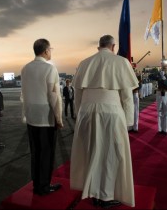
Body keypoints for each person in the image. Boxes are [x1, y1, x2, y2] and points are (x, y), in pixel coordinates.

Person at [70, 35, 138, 208]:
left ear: (99, 46)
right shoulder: (121, 62)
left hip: (86, 112)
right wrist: (129, 120)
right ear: (113, 46)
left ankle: (92, 191)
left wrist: (79, 114)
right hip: (111, 112)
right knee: (111, 155)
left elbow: (77, 94)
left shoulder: (84, 63)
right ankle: (105, 195)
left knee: (90, 152)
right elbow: (127, 96)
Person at [20, 38, 64, 195]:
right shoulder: (50, 69)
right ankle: (44, 186)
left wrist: (25, 113)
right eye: (50, 49)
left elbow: (23, 94)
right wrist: (58, 118)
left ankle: (36, 184)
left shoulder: (25, 69)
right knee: (46, 153)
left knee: (35, 153)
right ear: (46, 51)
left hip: (31, 116)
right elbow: (54, 96)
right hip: (45, 117)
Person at [155, 61, 167, 135]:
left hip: (166, 94)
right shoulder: (158, 75)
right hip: (159, 93)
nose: (164, 69)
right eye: (162, 68)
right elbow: (151, 76)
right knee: (159, 112)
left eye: (165, 68)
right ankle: (159, 129)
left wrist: (164, 79)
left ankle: (165, 129)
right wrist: (159, 74)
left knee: (165, 112)